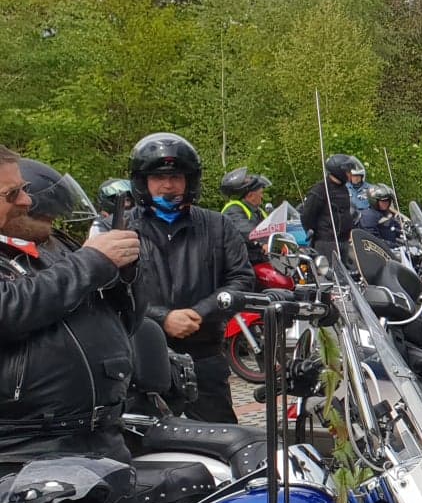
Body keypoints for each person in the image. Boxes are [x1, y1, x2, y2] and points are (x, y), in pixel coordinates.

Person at [0, 149, 145, 462]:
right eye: (12, 193)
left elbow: (124, 319)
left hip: (96, 433)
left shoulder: (56, 246)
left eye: (24, 188)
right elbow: (8, 308)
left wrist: (125, 275)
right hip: (24, 449)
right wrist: (91, 261)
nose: (27, 201)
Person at [126, 133, 256, 424]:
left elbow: (241, 279)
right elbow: (108, 291)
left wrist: (201, 312)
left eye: (176, 177)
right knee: (143, 442)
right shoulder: (121, 230)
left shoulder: (218, 225)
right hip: (142, 360)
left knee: (219, 436)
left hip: (204, 356)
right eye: (158, 177)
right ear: (143, 181)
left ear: (189, 180)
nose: (168, 185)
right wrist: (162, 318)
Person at [301, 155, 361, 255]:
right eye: (348, 171)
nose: (351, 174)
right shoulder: (320, 189)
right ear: (339, 171)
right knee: (330, 265)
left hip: (344, 241)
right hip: (326, 243)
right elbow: (307, 215)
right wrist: (317, 233)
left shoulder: (343, 188)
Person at [217, 167, 272, 258]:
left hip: (261, 258)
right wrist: (263, 242)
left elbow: (271, 228)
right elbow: (247, 231)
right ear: (250, 196)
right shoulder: (232, 210)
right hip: (242, 261)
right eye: (261, 193)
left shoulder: (258, 211)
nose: (262, 196)